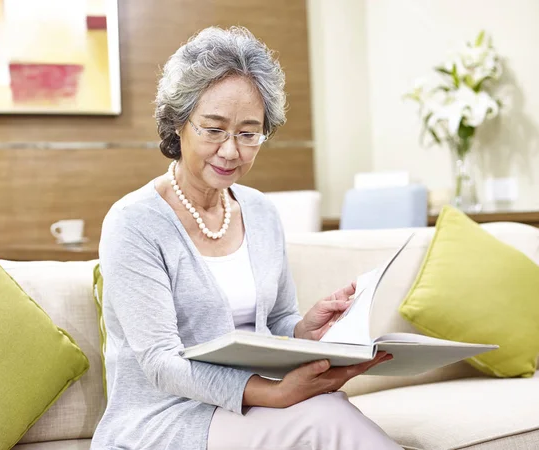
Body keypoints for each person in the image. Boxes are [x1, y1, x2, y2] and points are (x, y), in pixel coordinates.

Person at [91, 26, 401, 450]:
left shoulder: (260, 212)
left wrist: (303, 332)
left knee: (329, 410)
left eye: (248, 133)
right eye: (213, 129)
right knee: (325, 419)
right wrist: (273, 392)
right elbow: (161, 364)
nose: (231, 150)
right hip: (166, 416)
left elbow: (274, 326)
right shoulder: (134, 222)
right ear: (179, 123)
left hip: (248, 409)